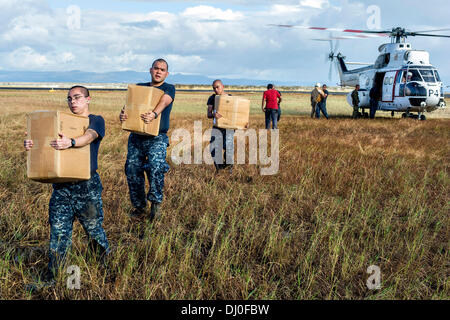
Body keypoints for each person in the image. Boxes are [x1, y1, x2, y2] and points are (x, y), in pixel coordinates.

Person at [24, 85, 110, 286]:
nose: (73, 102)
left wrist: (70, 142)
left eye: (77, 97)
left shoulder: (96, 120)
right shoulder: (61, 122)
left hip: (86, 186)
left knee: (94, 230)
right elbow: (46, 143)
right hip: (61, 188)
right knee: (58, 232)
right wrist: (32, 144)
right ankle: (54, 276)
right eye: (69, 98)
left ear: (88, 99)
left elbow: (89, 136)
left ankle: (103, 272)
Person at [119, 59, 175, 220]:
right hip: (136, 137)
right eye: (156, 68)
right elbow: (128, 107)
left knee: (156, 167)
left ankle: (155, 205)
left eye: (162, 70)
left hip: (157, 137)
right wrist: (122, 115)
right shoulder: (139, 87)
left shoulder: (168, 88)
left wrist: (154, 114)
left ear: (166, 73)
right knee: (132, 170)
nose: (158, 72)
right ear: (150, 70)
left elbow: (165, 100)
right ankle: (139, 207)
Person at [206, 79, 235, 173]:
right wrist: (214, 114)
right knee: (213, 149)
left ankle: (229, 168)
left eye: (217, 87)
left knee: (228, 147)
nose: (216, 89)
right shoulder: (212, 98)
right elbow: (208, 114)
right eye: (214, 88)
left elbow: (236, 112)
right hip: (217, 127)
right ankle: (219, 169)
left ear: (222, 86)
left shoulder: (230, 98)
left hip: (229, 127)